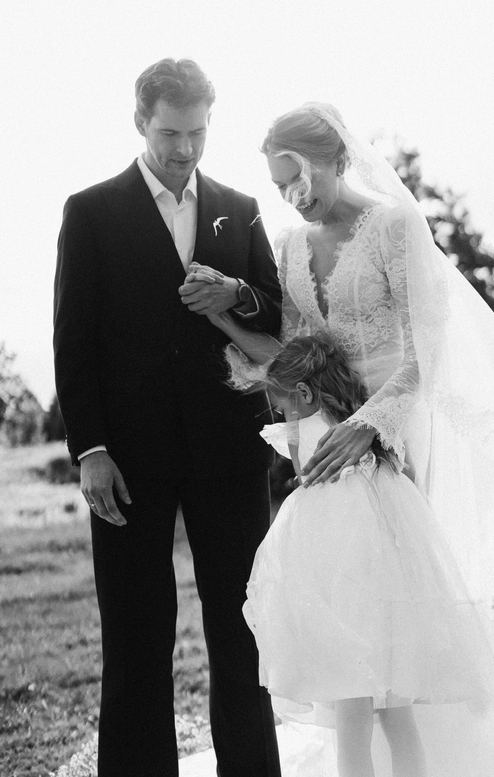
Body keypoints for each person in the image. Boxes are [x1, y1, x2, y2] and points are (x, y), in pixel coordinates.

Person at [202, 102, 494, 776]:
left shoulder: (394, 226)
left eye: (298, 179)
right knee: (354, 633)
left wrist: (370, 425)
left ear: (335, 160)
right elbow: (296, 353)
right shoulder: (290, 244)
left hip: (394, 436)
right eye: (280, 187)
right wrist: (228, 316)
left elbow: (424, 349)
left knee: (391, 628)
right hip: (328, 446)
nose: (292, 198)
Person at [53, 58, 282, 777]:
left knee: (244, 631)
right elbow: (73, 340)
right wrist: (90, 448)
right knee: (135, 639)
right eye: (169, 133)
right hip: (128, 457)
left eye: (197, 133)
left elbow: (277, 313)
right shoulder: (90, 211)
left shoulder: (241, 207)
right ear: (140, 123)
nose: (184, 149)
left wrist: (236, 293)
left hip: (230, 451)